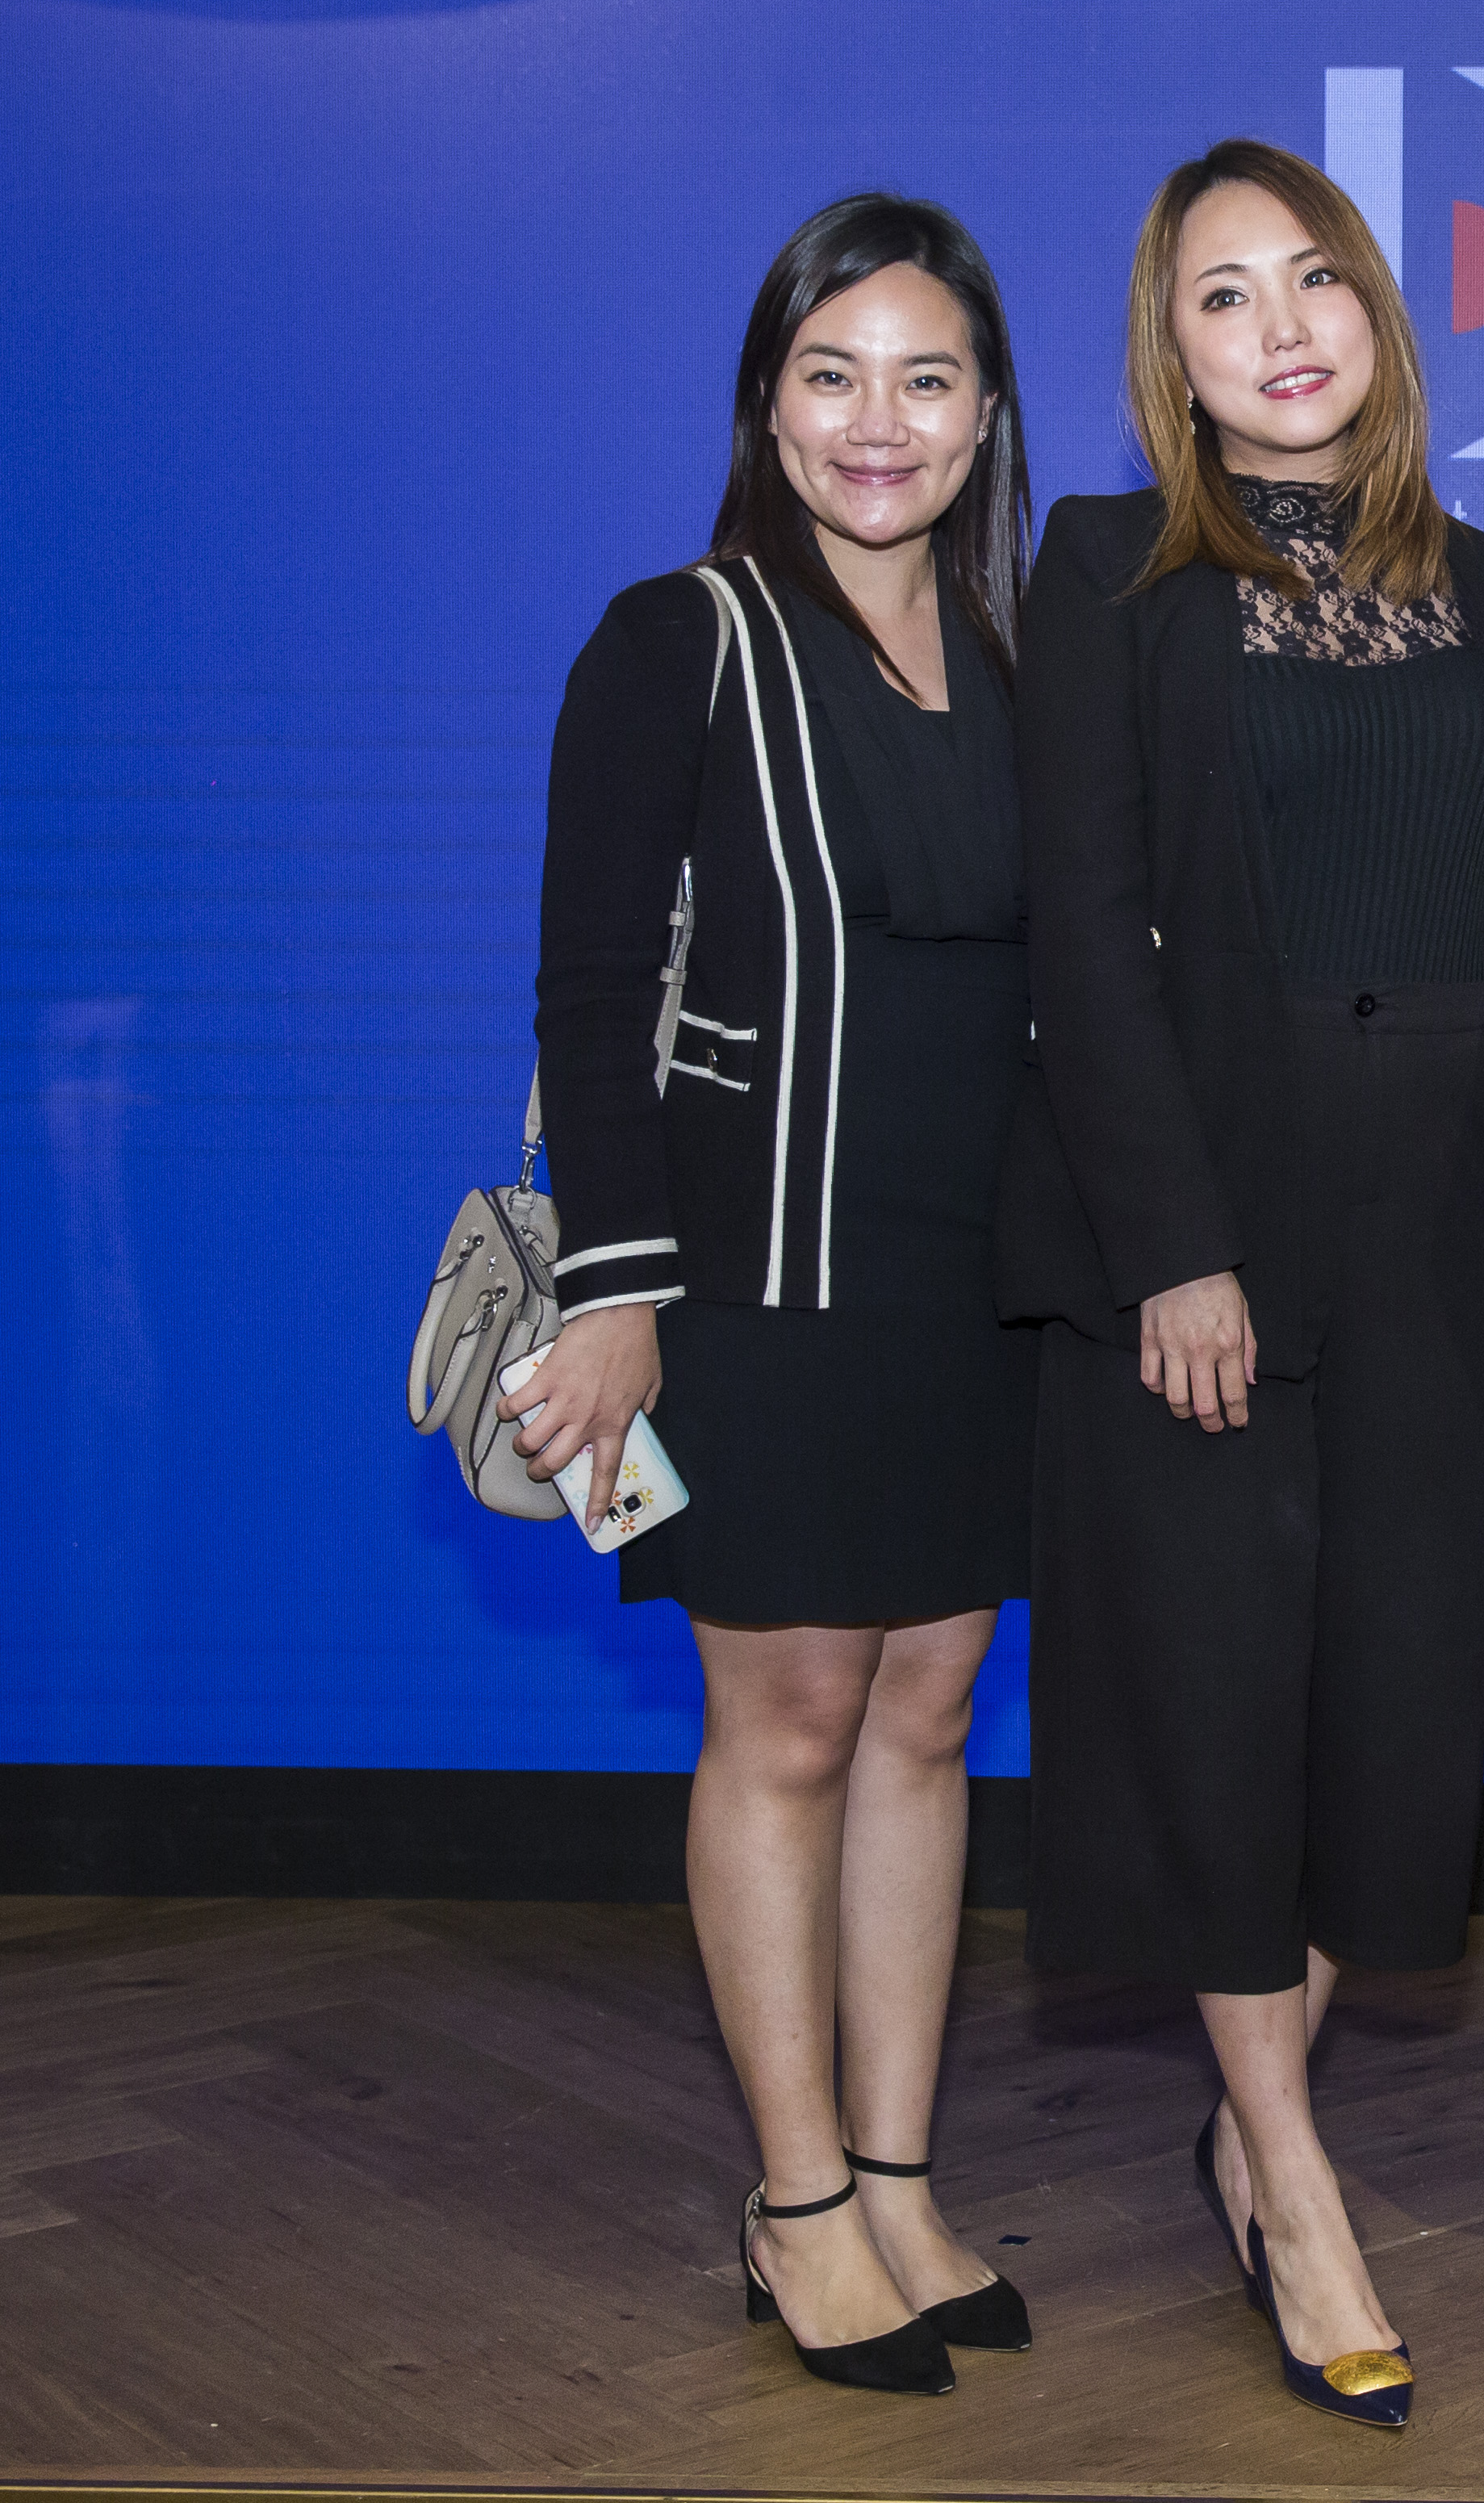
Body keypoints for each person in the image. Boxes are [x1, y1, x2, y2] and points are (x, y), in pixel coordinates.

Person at [1002, 140, 1484, 2435]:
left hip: (1444, 1216)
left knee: (1390, 1717)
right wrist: (1175, 1244)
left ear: (1379, 314)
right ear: (1171, 353)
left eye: (1313, 279)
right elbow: (1080, 933)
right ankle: (1295, 2179)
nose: (1282, 328)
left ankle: (1254, 2121)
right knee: (1219, 1702)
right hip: (1215, 1206)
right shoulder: (1106, 568)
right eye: (1224, 297)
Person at [518, 194, 1039, 2397]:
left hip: (971, 1282)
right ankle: (798, 2199)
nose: (876, 423)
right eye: (832, 377)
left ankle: (900, 2179)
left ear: (987, 415)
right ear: (766, 403)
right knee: (794, 1718)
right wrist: (617, 1293)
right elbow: (587, 982)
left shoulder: (1018, 665)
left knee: (927, 1710)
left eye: (925, 379)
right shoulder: (682, 636)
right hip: (749, 1282)